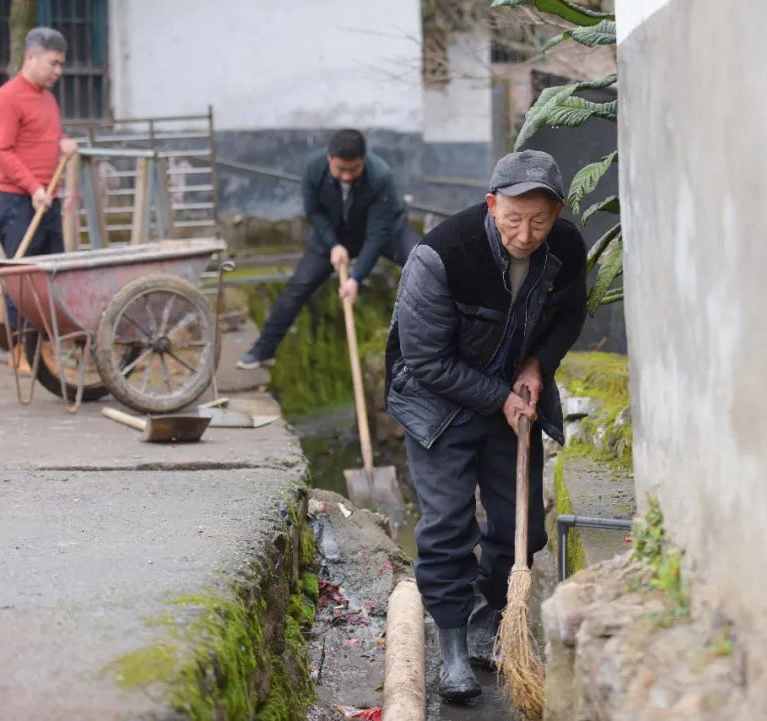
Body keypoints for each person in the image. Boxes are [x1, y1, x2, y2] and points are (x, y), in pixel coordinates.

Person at [379, 150, 587, 700]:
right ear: (491, 204)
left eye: (539, 221)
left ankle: (491, 617)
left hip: (510, 394)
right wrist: (500, 395)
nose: (525, 234)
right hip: (438, 403)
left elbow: (568, 314)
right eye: (513, 218)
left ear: (557, 213)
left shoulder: (563, 248)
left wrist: (537, 364)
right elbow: (423, 359)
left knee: (520, 528)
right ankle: (450, 640)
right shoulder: (442, 255)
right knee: (447, 524)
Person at [236, 129, 418, 369]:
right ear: (329, 158)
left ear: (363, 161)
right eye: (340, 169)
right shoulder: (314, 169)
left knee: (422, 263)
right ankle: (263, 350)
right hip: (335, 233)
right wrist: (333, 244)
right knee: (299, 285)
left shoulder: (380, 176)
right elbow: (314, 212)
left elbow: (377, 235)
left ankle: (446, 344)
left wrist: (355, 279)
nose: (346, 176)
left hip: (386, 230)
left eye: (353, 169)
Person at [0, 27, 77, 373]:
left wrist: (64, 143)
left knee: (51, 276)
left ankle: (46, 349)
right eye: (53, 64)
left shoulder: (47, 98)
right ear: (31, 57)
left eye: (61, 65)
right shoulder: (6, 99)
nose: (59, 72)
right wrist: (32, 187)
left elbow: (50, 136)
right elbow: (1, 151)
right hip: (16, 201)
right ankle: (18, 351)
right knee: (20, 277)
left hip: (47, 199)